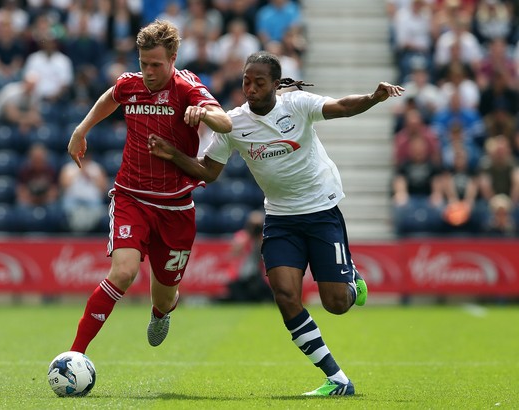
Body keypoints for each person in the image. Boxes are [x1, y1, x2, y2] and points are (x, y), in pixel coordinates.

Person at [148, 51, 404, 397]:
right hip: (281, 218)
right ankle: (337, 379)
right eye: (246, 81)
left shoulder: (297, 105)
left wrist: (374, 97)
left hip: (321, 210)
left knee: (337, 304)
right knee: (284, 294)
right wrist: (174, 155)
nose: (250, 89)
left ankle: (351, 278)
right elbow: (209, 171)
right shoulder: (233, 123)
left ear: (275, 84)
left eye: (259, 82)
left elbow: (342, 106)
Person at [66, 19, 232, 354]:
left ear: (173, 58)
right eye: (143, 64)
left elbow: (225, 121)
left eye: (156, 65)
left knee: (165, 295)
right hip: (132, 197)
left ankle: (161, 312)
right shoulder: (131, 84)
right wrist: (81, 130)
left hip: (176, 207)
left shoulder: (187, 87)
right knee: (123, 273)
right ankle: (75, 354)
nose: (149, 72)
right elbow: (110, 98)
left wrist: (203, 112)